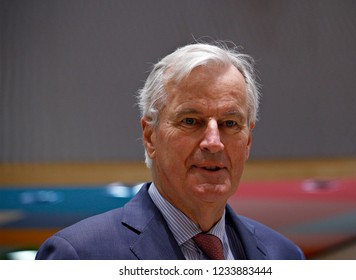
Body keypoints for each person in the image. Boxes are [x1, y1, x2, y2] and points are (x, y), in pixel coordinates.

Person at [35, 42, 305, 260]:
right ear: (150, 136)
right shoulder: (79, 256)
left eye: (230, 124)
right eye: (190, 121)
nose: (213, 142)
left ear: (247, 142)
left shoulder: (284, 257)